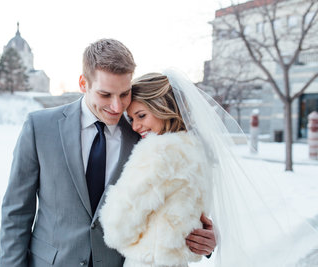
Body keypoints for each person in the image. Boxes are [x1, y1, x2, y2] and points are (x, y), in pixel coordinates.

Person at [0, 40, 215, 267]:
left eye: (124, 94)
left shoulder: (145, 135)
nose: (117, 106)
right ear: (84, 83)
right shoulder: (40, 127)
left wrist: (206, 239)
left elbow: (180, 203)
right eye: (105, 94)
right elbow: (16, 212)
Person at [100, 69, 318, 267]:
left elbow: (118, 225)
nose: (136, 126)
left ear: (164, 108)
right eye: (132, 119)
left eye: (141, 115)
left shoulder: (158, 152)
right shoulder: (199, 151)